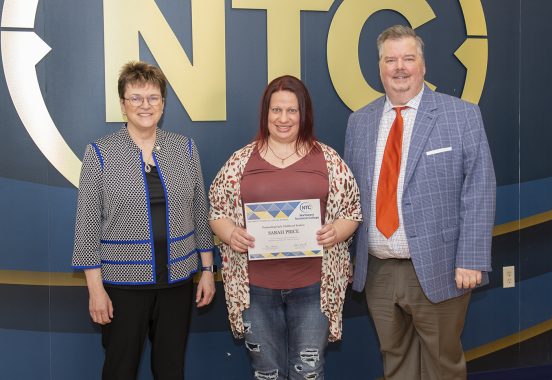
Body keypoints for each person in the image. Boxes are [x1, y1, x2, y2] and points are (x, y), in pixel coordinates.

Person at [344, 25, 496, 380]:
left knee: (442, 363)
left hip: (441, 267)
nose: (400, 67)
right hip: (378, 270)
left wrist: (471, 258)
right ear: (379, 68)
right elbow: (350, 196)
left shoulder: (461, 115)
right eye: (390, 60)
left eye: (408, 58)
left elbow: (480, 189)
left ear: (423, 66)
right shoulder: (359, 122)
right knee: (395, 361)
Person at [209, 75, 361, 380]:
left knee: (309, 373)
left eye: (292, 110)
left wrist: (338, 231)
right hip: (256, 290)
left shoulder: (328, 160)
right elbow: (217, 210)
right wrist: (230, 233)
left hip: (313, 287)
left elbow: (352, 211)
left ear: (304, 114)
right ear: (266, 114)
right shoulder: (241, 161)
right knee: (266, 373)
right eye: (276, 110)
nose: (283, 118)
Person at [72, 61, 215, 379]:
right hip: (122, 287)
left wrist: (207, 270)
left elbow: (199, 215)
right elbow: (87, 228)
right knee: (119, 369)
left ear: (163, 104)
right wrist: (96, 290)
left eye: (152, 97)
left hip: (177, 282)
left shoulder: (185, 149)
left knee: (170, 369)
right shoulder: (99, 153)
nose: (144, 105)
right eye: (135, 97)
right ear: (122, 105)